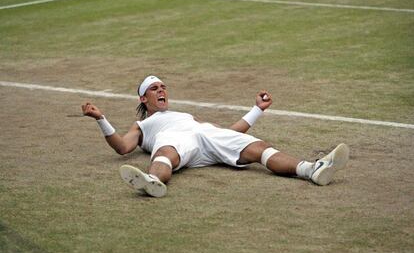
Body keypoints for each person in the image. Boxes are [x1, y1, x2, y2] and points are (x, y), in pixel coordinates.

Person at [82, 75, 349, 198]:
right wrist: (101, 119)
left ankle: (311, 169)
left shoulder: (186, 115)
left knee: (259, 148)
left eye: (163, 86)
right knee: (166, 154)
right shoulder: (143, 125)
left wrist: (256, 110)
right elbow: (122, 147)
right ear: (144, 97)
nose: (161, 90)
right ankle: (153, 181)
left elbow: (226, 134)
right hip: (175, 142)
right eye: (154, 88)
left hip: (206, 136)